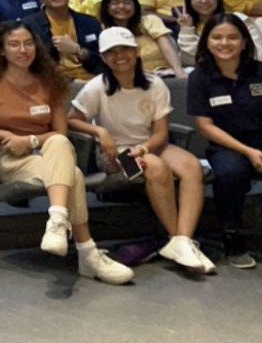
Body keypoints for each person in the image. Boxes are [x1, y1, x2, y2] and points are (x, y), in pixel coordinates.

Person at [0, 22, 132, 284]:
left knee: (59, 145)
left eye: (28, 43)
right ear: (1, 50)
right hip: (11, 157)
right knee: (75, 176)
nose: (23, 50)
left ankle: (57, 221)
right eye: (14, 44)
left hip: (49, 151)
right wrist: (5, 136)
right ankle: (88, 256)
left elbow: (60, 133)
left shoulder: (50, 81)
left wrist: (33, 139)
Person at [67, 30, 214, 274]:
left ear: (136, 52)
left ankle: (183, 241)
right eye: (111, 52)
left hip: (150, 145)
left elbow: (161, 133)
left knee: (191, 166)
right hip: (115, 155)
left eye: (125, 49)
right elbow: (72, 120)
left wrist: (145, 148)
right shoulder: (96, 87)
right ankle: (175, 237)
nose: (119, 56)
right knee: (155, 166)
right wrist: (101, 133)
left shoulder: (155, 84)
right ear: (103, 58)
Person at [188, 14, 262, 270]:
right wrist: (248, 152)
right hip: (228, 146)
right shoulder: (200, 78)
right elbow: (205, 126)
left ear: (244, 42)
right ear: (207, 42)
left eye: (232, 37)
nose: (224, 43)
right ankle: (231, 236)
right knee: (231, 173)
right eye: (217, 37)